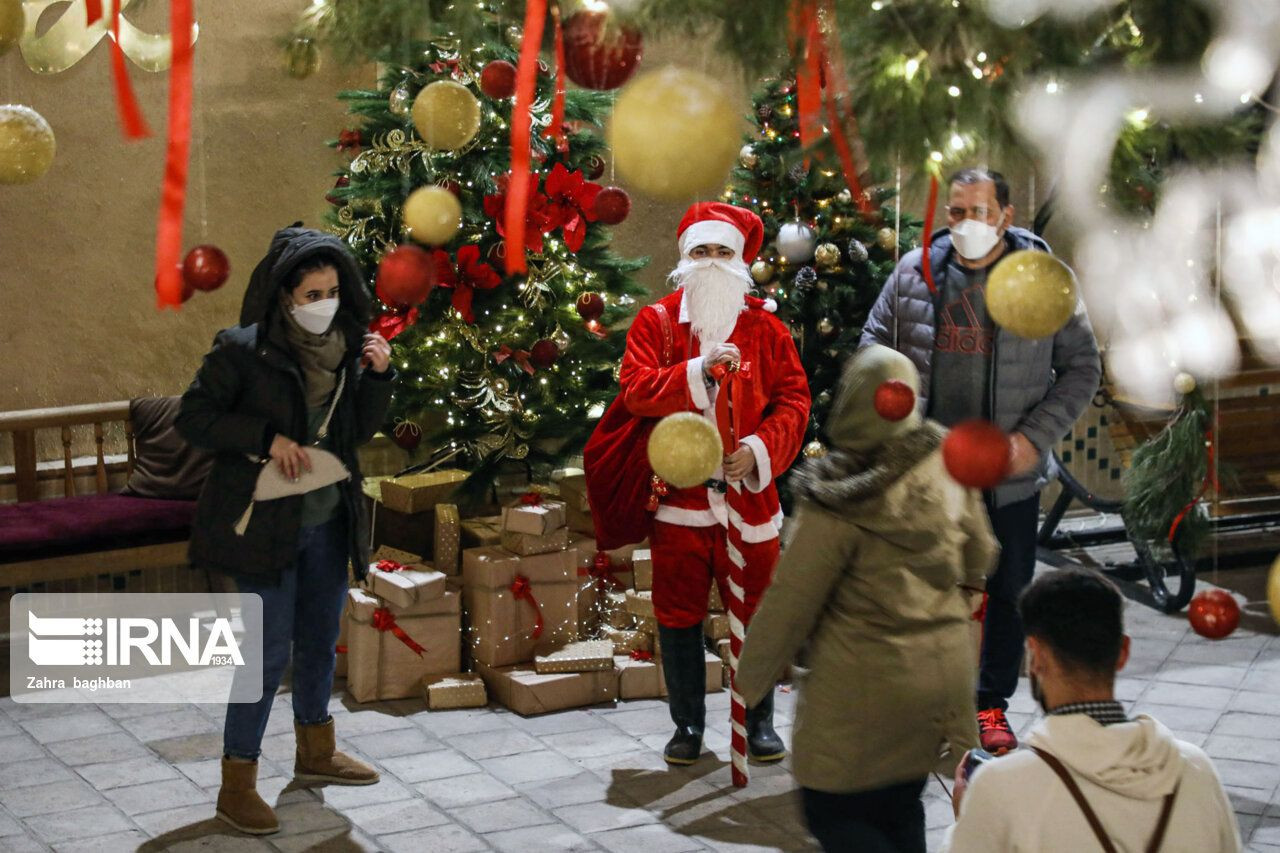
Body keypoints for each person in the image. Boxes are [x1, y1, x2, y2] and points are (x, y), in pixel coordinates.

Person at [860, 167, 1102, 754]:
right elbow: (874, 343)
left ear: (1006, 217)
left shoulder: (1045, 279)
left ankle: (989, 705)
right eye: (957, 212)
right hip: (930, 471)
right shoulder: (914, 273)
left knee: (1008, 592)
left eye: (981, 212)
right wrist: (896, 402)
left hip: (1007, 473)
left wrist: (1032, 439)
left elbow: (1082, 369)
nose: (967, 224)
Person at [177, 224, 395, 835]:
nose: (323, 303)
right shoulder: (242, 351)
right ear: (283, 297)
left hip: (327, 521)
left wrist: (379, 377)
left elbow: (353, 434)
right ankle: (236, 782)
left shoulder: (351, 347)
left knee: (321, 639)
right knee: (263, 657)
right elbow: (194, 417)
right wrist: (265, 439)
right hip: (262, 527)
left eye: (331, 290)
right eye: (310, 294)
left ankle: (316, 752)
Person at [737, 345, 997, 853]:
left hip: (858, 702)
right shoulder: (947, 467)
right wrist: (950, 610)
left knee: (835, 812)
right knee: (902, 806)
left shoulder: (836, 501)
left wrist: (748, 683)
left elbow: (792, 603)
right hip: (937, 690)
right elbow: (982, 552)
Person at [588, 201, 810, 766]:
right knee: (678, 612)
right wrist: (698, 371)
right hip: (680, 501)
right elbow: (637, 389)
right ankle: (687, 723)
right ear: (684, 259)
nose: (711, 263)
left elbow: (794, 399)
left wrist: (758, 450)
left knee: (755, 613)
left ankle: (757, 718)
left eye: (723, 252)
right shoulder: (657, 323)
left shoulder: (765, 328)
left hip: (748, 498)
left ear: (741, 261)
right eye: (701, 252)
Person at [945, 568, 1242, 852]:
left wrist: (966, 819)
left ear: (1036, 656)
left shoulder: (1000, 789)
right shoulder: (1196, 770)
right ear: (1123, 652)